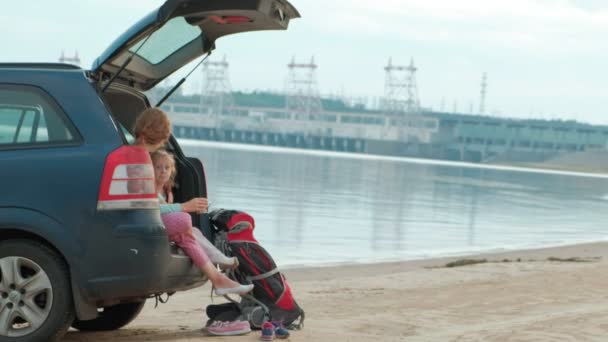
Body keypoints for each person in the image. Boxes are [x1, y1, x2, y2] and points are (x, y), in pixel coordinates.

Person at [133, 108, 251, 296]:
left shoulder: (139, 158)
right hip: (143, 220)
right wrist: (184, 207)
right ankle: (218, 269)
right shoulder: (138, 159)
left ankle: (219, 279)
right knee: (185, 221)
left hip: (146, 219)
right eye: (162, 140)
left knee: (187, 233)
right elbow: (148, 205)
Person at [151, 149, 238, 270]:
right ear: (150, 169)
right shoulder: (150, 189)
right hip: (154, 226)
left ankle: (217, 259)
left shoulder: (167, 192)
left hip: (164, 226)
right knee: (189, 228)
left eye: (167, 168)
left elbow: (168, 212)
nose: (163, 171)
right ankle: (217, 259)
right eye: (158, 167)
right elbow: (153, 209)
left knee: (194, 231)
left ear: (172, 171)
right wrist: (184, 207)